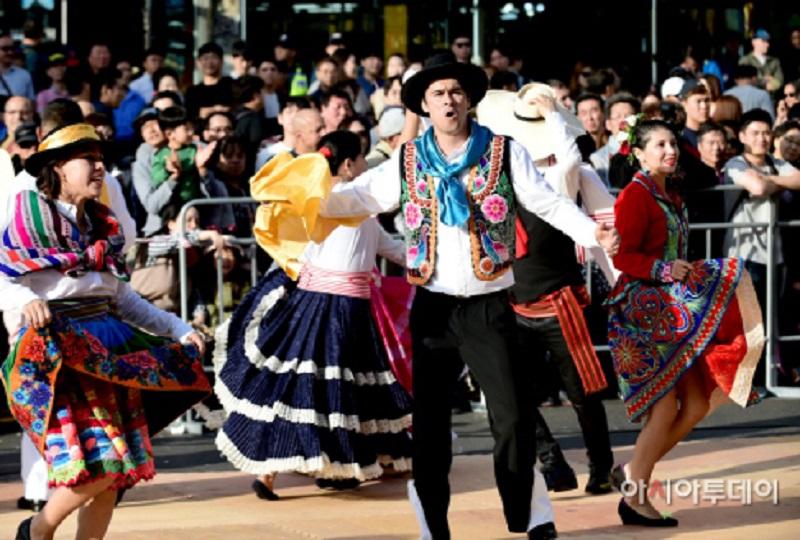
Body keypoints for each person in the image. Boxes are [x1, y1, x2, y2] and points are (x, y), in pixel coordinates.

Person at [317, 53, 619, 540]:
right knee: (432, 426)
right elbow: (361, 198)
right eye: (438, 94)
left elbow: (546, 202)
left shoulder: (503, 151)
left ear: (470, 100)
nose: (449, 100)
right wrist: (305, 199)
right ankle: (432, 526)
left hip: (490, 304)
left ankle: (533, 517)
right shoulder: (408, 160)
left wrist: (592, 233)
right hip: (433, 306)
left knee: (514, 417)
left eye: (456, 91)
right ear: (425, 105)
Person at [0, 123, 211, 540]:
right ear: (59, 167)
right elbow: (4, 276)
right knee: (102, 465)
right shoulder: (28, 217)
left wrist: (178, 328)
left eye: (101, 161)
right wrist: (24, 303)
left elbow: (123, 300)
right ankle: (38, 530)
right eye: (89, 161)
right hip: (61, 355)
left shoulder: (102, 227)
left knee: (113, 479)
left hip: (107, 352)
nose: (100, 169)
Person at [213, 130, 413, 500]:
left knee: (327, 388)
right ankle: (274, 470)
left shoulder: (351, 205)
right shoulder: (335, 199)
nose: (366, 165)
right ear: (350, 164)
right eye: (361, 159)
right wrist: (413, 125)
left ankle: (322, 467)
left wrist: (423, 261)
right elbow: (397, 167)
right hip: (327, 307)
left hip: (344, 308)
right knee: (314, 387)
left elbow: (390, 247)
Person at [606, 118, 764, 527]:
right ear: (638, 153)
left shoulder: (668, 191)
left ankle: (632, 470)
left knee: (695, 405)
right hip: (643, 314)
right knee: (664, 408)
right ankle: (635, 495)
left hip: (672, 314)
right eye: (659, 145)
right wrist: (663, 270)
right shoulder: (635, 196)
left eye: (673, 143)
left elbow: (690, 164)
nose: (670, 150)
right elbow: (622, 258)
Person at [590, 93, 640, 185]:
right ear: (608, 124)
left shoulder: (645, 151)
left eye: (629, 116)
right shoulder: (598, 158)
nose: (624, 121)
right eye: (618, 116)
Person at [184, 42, 233, 120]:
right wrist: (216, 109)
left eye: (214, 57)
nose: (209, 62)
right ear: (198, 63)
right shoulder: (192, 92)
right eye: (205, 58)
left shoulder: (231, 86)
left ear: (221, 61)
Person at [739, 28, 784, 94]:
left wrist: (759, 80)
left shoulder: (774, 61)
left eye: (768, 41)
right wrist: (769, 79)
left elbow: (780, 81)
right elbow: (744, 82)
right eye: (763, 41)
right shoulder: (745, 61)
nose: (767, 44)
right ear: (754, 42)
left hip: (771, 100)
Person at [0, 31, 35, 100]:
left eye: (12, 48)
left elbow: (31, 103)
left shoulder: (24, 75)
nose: (10, 52)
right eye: (5, 49)